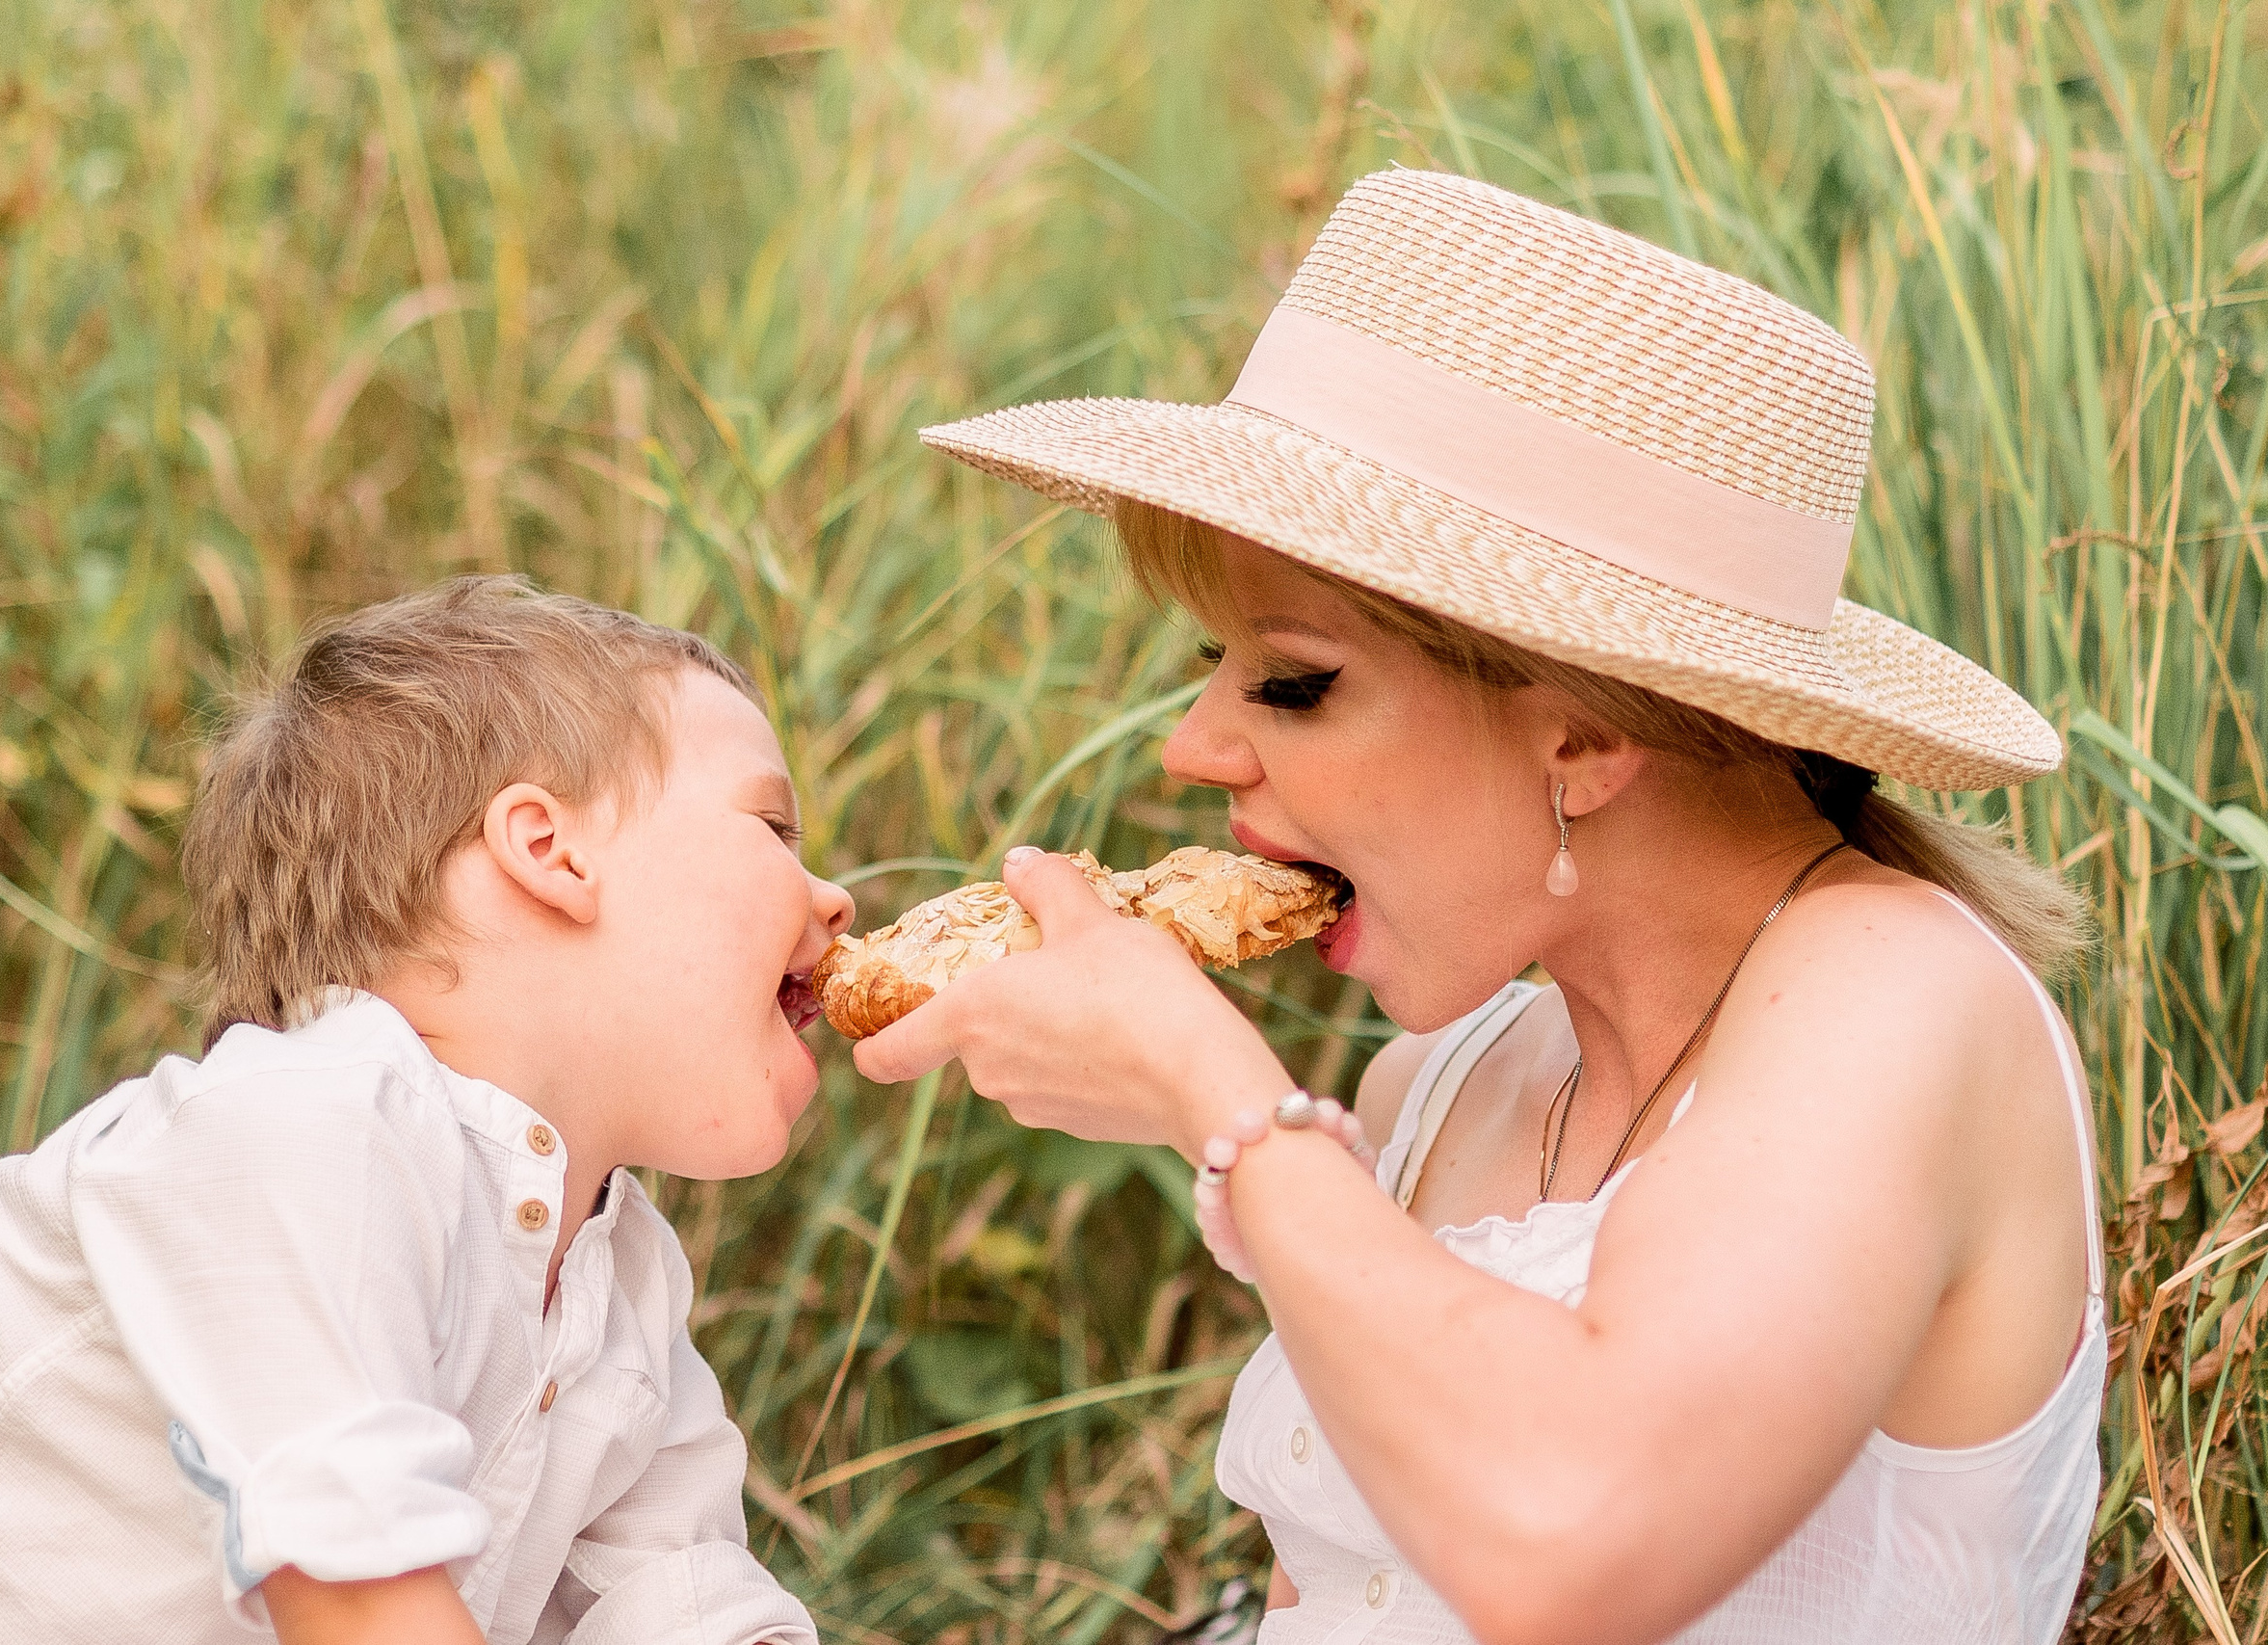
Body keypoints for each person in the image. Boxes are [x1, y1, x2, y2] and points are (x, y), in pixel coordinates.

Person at [857, 172, 2102, 1643]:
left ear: (1580, 734)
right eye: (1209, 660)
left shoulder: (1896, 1001)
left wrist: (1216, 1091)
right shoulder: (1430, 1092)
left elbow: (1569, 1547)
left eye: (1295, 680)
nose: (1193, 747)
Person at [0, 577, 854, 1645]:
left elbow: (679, 1602)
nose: (835, 898)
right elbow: (357, 1593)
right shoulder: (305, 1126)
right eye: (772, 826)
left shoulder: (623, 1280)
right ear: (547, 850)